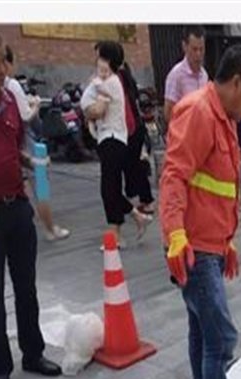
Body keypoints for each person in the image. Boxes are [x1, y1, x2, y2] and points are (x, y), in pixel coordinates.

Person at [159, 45, 241, 379]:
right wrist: (176, 236)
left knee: (202, 331)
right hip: (194, 249)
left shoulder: (224, 119)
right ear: (236, 82)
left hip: (211, 245)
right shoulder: (200, 112)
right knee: (220, 335)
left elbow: (218, 189)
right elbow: (174, 177)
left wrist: (227, 242)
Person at [0, 25, 62, 379]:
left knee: (26, 287)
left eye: (3, 61)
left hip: (18, 206)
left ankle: (33, 353)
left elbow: (15, 150)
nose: (2, 69)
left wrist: (33, 161)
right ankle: (0, 368)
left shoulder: (11, 102)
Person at [81, 41, 151, 249]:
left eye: (100, 57)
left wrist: (87, 107)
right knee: (109, 188)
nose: (96, 61)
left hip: (113, 138)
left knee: (109, 188)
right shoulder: (110, 80)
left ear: (108, 60)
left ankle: (116, 234)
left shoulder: (109, 82)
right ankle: (136, 216)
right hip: (110, 138)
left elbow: (98, 110)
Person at [3, 45, 70, 242]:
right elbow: (25, 116)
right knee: (41, 188)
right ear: (7, 63)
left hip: (6, 145)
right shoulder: (11, 84)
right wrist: (36, 105)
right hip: (25, 143)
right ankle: (50, 229)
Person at [115, 44, 155, 215]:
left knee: (132, 166)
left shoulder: (117, 79)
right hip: (134, 129)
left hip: (129, 129)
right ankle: (140, 200)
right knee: (133, 165)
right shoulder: (126, 76)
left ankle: (142, 200)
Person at [163, 25, 208, 125]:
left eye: (201, 49)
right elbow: (168, 114)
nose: (198, 54)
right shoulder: (176, 75)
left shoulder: (204, 75)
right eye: (194, 49)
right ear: (185, 46)